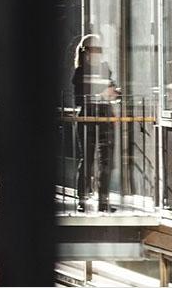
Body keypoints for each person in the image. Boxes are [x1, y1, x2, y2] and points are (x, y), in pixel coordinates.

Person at [71, 33, 120, 213]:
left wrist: (112, 93)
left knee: (106, 161)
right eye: (94, 49)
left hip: (105, 118)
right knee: (88, 160)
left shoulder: (105, 68)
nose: (98, 53)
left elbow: (112, 90)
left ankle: (103, 201)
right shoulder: (80, 72)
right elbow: (79, 99)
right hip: (88, 119)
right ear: (86, 52)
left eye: (100, 49)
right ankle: (82, 199)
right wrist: (101, 93)